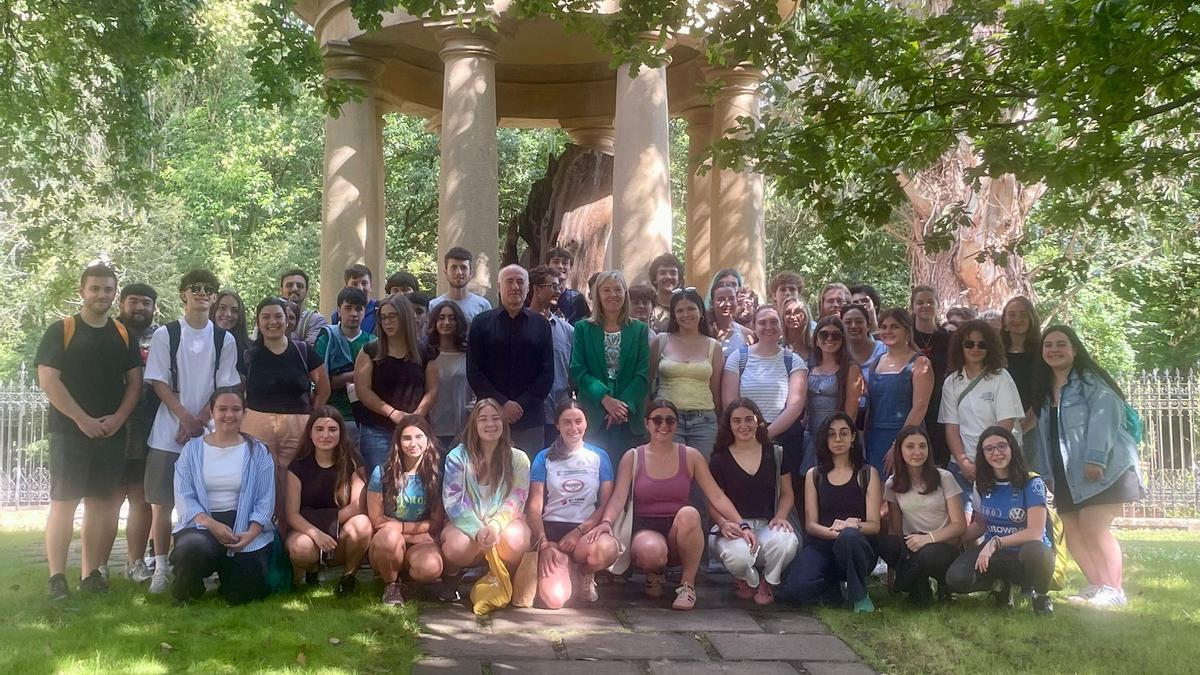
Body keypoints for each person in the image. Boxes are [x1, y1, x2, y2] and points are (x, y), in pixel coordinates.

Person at [36, 264, 144, 599]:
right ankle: (57, 577)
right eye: (95, 288)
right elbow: (48, 380)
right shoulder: (62, 330)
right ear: (82, 291)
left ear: (114, 293)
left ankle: (90, 574)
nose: (101, 295)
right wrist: (81, 418)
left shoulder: (123, 334)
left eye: (108, 289)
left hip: (110, 433)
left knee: (100, 504)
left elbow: (135, 383)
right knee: (64, 503)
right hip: (69, 433)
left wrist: (117, 419)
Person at [586, 400, 756, 610]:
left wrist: (742, 524)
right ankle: (654, 573)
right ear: (647, 424)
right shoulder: (633, 456)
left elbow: (716, 496)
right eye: (657, 420)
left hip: (679, 530)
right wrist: (606, 522)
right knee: (652, 552)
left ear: (676, 424)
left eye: (670, 420)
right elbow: (619, 497)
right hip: (646, 528)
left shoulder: (691, 456)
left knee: (690, 513)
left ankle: (687, 585)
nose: (663, 425)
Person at [1032, 326, 1144, 608]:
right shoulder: (1045, 391)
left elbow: (1106, 416)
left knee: (1094, 529)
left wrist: (1095, 457)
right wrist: (1047, 474)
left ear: (1075, 350)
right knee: (1073, 532)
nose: (1054, 350)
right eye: (1048, 345)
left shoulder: (1090, 381)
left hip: (1102, 468)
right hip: (1065, 474)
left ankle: (1115, 590)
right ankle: (1098, 586)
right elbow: (1046, 438)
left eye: (1061, 344)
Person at [143, 269, 241, 594]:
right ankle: (159, 567)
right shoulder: (166, 334)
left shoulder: (223, 339)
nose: (202, 293)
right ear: (183, 294)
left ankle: (206, 566)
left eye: (209, 289)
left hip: (208, 434)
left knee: (208, 500)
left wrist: (199, 419)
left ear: (214, 297)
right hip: (166, 433)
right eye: (195, 288)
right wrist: (184, 416)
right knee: (162, 503)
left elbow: (225, 384)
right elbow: (158, 380)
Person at [171, 388, 275, 605]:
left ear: (244, 413)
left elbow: (265, 500)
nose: (229, 415)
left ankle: (229, 575)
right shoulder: (191, 450)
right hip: (202, 524)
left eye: (236, 409)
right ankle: (189, 582)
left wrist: (252, 533)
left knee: (244, 596)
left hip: (244, 524)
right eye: (222, 409)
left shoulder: (259, 451)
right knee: (192, 550)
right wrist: (211, 524)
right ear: (211, 411)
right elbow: (184, 496)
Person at [778, 413, 882, 612]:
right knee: (797, 588)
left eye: (844, 434)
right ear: (825, 440)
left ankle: (859, 595)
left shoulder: (867, 473)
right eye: (831, 435)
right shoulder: (814, 475)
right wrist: (833, 532)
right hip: (822, 545)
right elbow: (811, 525)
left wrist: (850, 526)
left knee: (849, 537)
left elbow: (875, 525)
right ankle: (833, 589)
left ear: (853, 438)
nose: (837, 439)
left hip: (856, 547)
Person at [946, 426, 1055, 615]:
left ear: (1012, 448)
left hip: (1026, 553)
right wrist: (953, 536)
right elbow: (980, 524)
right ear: (983, 454)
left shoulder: (1032, 483)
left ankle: (1040, 596)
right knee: (956, 579)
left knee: (1037, 551)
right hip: (996, 554)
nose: (996, 453)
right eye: (989, 449)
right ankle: (1000, 587)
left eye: (1002, 446)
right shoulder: (981, 483)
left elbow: (1035, 532)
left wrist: (995, 542)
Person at [527, 400, 620, 608]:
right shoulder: (543, 458)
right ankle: (563, 566)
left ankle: (584, 573)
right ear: (557, 425)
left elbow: (605, 504)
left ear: (586, 423)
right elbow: (534, 506)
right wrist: (542, 542)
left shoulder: (599, 457)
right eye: (566, 422)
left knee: (607, 549)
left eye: (578, 421)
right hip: (552, 534)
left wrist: (579, 531)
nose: (573, 428)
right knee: (554, 600)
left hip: (585, 532)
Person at [707, 399, 799, 604]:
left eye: (749, 419)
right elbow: (714, 502)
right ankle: (747, 579)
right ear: (729, 425)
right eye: (737, 421)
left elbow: (787, 493)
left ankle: (768, 582)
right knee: (738, 557)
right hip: (732, 529)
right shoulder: (719, 459)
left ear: (758, 421)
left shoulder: (775, 454)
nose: (743, 426)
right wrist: (724, 523)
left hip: (766, 525)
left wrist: (781, 516)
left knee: (788, 541)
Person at [440, 399, 532, 598]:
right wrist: (478, 529)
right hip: (465, 523)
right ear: (474, 425)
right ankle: (451, 577)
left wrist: (494, 526)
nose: (490, 424)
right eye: (483, 419)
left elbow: (517, 499)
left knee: (517, 539)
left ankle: (501, 575)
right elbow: (453, 501)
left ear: (503, 423)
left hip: (502, 523)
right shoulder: (456, 456)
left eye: (495, 418)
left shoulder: (519, 458)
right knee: (457, 545)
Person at [467, 265, 554, 457]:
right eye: (509, 282)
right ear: (499, 287)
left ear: (528, 288)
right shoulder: (481, 323)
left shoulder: (541, 325)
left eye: (520, 282)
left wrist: (519, 405)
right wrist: (502, 404)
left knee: (529, 475)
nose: (515, 286)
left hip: (531, 418)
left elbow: (547, 374)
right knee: (490, 475)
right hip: (490, 418)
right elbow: (474, 371)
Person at [242, 296, 330, 486]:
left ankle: (290, 516)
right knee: (260, 480)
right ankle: (264, 517)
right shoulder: (249, 354)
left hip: (298, 425)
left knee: (294, 479)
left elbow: (324, 388)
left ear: (287, 320)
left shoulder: (304, 350)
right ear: (258, 321)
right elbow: (239, 391)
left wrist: (312, 415)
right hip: (257, 425)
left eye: (278, 316)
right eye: (266, 317)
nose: (272, 322)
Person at [570, 270, 651, 471]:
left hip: (628, 418)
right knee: (596, 476)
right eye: (606, 290)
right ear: (597, 295)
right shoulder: (582, 328)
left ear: (625, 293)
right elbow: (578, 370)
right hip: (594, 415)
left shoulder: (639, 330)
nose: (612, 295)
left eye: (617, 289)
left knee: (629, 476)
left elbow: (643, 373)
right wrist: (606, 400)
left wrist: (621, 407)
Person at [285, 408, 371, 597]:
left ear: (341, 432)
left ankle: (348, 578)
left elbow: (358, 506)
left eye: (332, 429)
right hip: (307, 532)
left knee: (363, 523)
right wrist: (316, 534)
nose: (326, 435)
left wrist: (328, 525)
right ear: (310, 432)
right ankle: (312, 574)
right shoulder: (297, 466)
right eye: (319, 429)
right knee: (301, 548)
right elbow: (292, 514)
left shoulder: (354, 462)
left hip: (341, 533)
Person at [876, 426, 966, 605]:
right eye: (910, 446)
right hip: (912, 544)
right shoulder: (893, 483)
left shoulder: (944, 477)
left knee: (925, 554)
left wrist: (928, 538)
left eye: (922, 446)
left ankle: (939, 585)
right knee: (882, 543)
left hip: (943, 544)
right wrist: (891, 573)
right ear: (900, 450)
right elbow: (895, 528)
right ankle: (917, 586)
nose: (917, 452)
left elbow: (959, 525)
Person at [940, 320, 1024, 502]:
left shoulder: (1000, 377)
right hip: (962, 465)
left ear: (990, 347)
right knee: (962, 523)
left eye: (982, 344)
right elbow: (951, 428)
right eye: (969, 344)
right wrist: (963, 463)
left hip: (998, 461)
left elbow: (1005, 425)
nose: (975, 349)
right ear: (960, 347)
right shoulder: (951, 382)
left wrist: (986, 460)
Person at [353, 294, 439, 471]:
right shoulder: (370, 351)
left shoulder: (425, 352)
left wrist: (416, 415)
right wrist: (393, 413)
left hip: (416, 428)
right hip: (377, 429)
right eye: (383, 317)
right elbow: (363, 391)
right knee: (380, 481)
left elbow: (433, 390)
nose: (387, 322)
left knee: (419, 481)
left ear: (405, 316)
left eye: (392, 316)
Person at [367, 414, 446, 605]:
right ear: (398, 442)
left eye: (419, 437)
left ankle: (406, 582)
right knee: (389, 538)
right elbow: (377, 520)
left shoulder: (437, 475)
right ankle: (391, 585)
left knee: (431, 567)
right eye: (407, 438)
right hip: (389, 541)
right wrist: (410, 532)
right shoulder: (382, 473)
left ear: (428, 441)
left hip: (419, 543)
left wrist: (400, 529)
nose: (413, 443)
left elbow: (435, 523)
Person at [721, 305, 807, 477]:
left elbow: (795, 407)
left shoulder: (793, 361)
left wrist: (764, 435)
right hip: (743, 435)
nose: (768, 327)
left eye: (774, 322)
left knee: (785, 491)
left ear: (781, 326)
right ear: (754, 327)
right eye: (762, 322)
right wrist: (749, 432)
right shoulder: (738, 357)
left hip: (783, 438)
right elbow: (730, 402)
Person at [113, 283, 158, 584]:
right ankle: (95, 567)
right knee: (107, 498)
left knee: (141, 499)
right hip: (111, 428)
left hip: (149, 429)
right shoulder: (108, 333)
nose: (139, 308)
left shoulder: (163, 337)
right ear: (122, 303)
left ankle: (135, 562)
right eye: (134, 302)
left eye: (146, 303)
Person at [649, 288, 724, 459]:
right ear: (674, 315)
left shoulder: (715, 347)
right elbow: (647, 383)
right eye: (680, 310)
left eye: (691, 309)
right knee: (671, 475)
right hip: (666, 419)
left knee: (702, 476)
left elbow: (716, 391)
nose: (686, 314)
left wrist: (720, 422)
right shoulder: (661, 340)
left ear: (700, 311)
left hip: (703, 421)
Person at [803, 317, 865, 513]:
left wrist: (840, 441)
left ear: (843, 339)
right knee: (813, 490)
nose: (830, 339)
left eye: (836, 335)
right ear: (816, 339)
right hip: (812, 437)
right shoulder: (809, 367)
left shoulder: (851, 369)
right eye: (824, 334)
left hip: (838, 437)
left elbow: (851, 413)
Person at [864, 308, 933, 475]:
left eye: (894, 326)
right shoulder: (876, 361)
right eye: (884, 327)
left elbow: (920, 407)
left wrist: (899, 444)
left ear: (907, 330)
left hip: (907, 437)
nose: (888, 331)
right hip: (875, 437)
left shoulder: (920, 363)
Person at [315, 287, 376, 449]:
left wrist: (343, 377)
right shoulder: (326, 339)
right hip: (333, 416)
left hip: (367, 420)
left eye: (359, 309)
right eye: (348, 308)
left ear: (365, 312)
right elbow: (324, 381)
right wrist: (361, 374)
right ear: (338, 311)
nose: (354, 313)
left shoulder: (373, 342)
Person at [528, 265, 575, 447]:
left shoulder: (568, 331)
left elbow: (573, 371)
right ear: (536, 289)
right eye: (553, 286)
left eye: (560, 286)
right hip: (529, 415)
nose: (558, 291)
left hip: (559, 413)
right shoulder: (519, 326)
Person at [911, 286, 953, 467]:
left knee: (938, 459)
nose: (925, 306)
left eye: (930, 302)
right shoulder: (906, 336)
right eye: (920, 302)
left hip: (940, 404)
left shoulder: (949, 338)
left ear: (937, 305)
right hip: (911, 402)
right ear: (913, 307)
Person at [427, 300, 472, 451]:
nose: (446, 322)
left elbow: (476, 394)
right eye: (441, 318)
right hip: (431, 430)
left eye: (452, 318)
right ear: (434, 322)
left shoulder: (469, 356)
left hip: (463, 430)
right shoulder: (426, 356)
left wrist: (468, 427)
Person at [1001, 296, 1041, 463]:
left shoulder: (1041, 352)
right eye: (1012, 314)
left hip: (1032, 428)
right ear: (1004, 320)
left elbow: (1043, 393)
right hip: (1000, 427)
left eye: (1023, 314)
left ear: (1031, 319)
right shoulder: (995, 352)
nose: (1017, 319)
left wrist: (1022, 428)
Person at [431, 247, 491, 324]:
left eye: (463, 268)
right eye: (454, 267)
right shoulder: (434, 305)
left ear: (470, 273)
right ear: (445, 272)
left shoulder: (483, 306)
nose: (459, 272)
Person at [709, 275, 754, 358]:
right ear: (712, 303)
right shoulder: (703, 331)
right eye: (721, 299)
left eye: (731, 299)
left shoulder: (747, 335)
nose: (727, 304)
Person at [280, 268, 327, 345]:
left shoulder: (315, 321)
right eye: (289, 285)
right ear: (281, 289)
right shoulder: (269, 316)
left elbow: (309, 353)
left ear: (307, 291)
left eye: (300, 286)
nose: (295, 289)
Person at [546, 246, 590, 323]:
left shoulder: (577, 298)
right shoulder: (538, 295)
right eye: (556, 262)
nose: (560, 266)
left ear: (571, 267)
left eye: (565, 263)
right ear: (547, 266)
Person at [331, 264, 379, 335]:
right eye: (355, 283)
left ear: (371, 286)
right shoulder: (337, 315)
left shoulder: (380, 310)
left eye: (364, 283)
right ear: (346, 287)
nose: (360, 288)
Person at [211, 290, 250, 377]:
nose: (228, 314)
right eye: (222, 308)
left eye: (234, 311)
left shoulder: (249, 351)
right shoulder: (201, 345)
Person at [647, 253, 684, 332]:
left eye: (673, 273)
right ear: (654, 278)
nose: (668, 277)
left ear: (679, 279)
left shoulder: (686, 306)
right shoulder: (647, 306)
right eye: (663, 273)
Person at [782, 297, 814, 361]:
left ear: (806, 316)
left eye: (797, 311)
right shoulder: (777, 349)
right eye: (788, 312)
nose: (792, 316)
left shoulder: (818, 347)